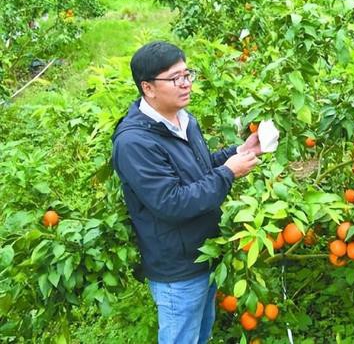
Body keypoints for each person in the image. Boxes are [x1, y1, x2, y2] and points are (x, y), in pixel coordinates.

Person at [112, 41, 262, 344]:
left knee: (201, 335)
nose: (186, 84)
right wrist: (229, 172)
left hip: (205, 253)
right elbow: (171, 202)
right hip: (177, 268)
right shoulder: (134, 143)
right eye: (175, 78)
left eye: (187, 74)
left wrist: (238, 151)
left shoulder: (184, 119)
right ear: (148, 88)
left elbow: (200, 168)